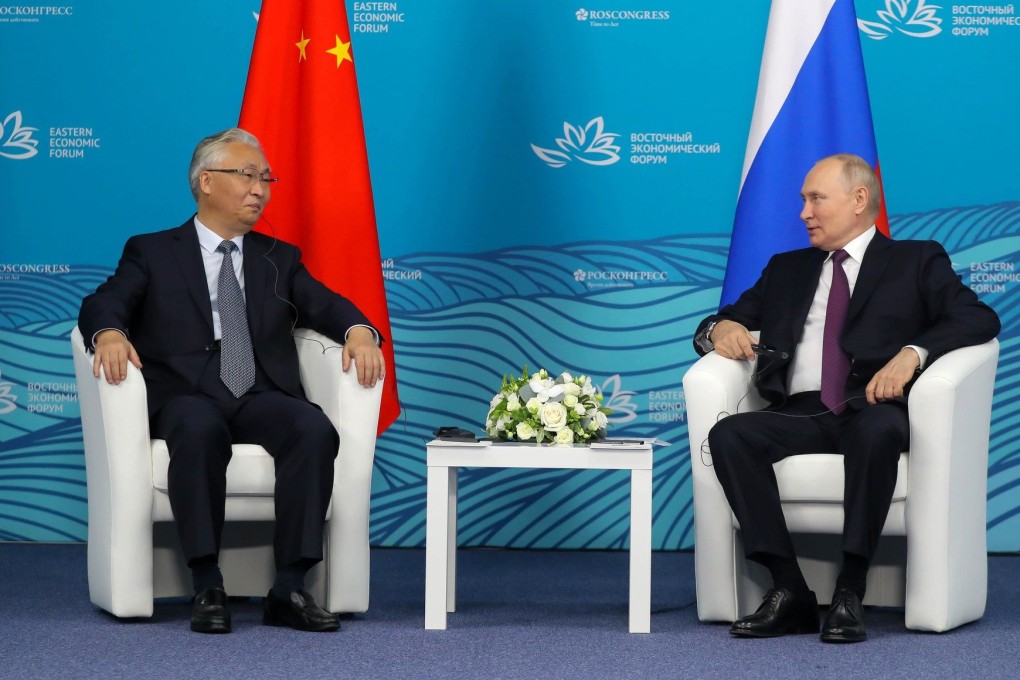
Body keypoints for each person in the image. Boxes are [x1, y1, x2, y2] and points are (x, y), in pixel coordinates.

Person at [78, 128, 385, 634]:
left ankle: (288, 585)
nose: (259, 189)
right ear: (205, 181)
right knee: (197, 429)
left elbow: (324, 304)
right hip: (186, 393)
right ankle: (206, 582)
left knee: (312, 429)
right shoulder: (153, 251)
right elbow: (106, 300)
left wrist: (358, 330)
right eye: (246, 175)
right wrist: (109, 333)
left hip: (259, 392)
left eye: (265, 178)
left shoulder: (277, 257)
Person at [693, 153, 999, 643]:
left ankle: (849, 590)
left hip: (872, 409)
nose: (804, 213)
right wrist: (722, 327)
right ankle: (788, 588)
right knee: (731, 434)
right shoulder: (787, 268)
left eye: (816, 199)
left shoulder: (915, 260)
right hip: (800, 412)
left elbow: (979, 319)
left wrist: (913, 354)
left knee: (876, 431)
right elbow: (720, 321)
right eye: (802, 201)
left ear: (859, 200)